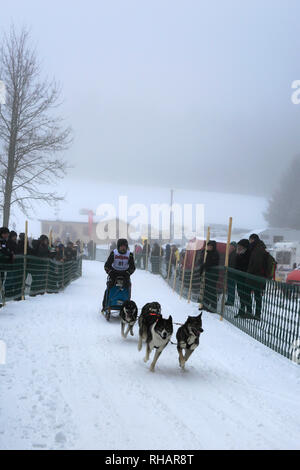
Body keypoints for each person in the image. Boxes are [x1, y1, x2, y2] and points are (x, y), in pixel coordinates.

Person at [102, 239, 135, 311]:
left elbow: (132, 267)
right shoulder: (114, 253)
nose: (123, 248)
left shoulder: (130, 255)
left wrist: (128, 273)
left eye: (124, 247)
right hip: (114, 273)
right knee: (109, 288)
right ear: (118, 247)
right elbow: (107, 265)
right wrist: (110, 272)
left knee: (127, 288)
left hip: (125, 274)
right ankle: (105, 305)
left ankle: (127, 305)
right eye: (121, 247)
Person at [247, 233, 267, 320]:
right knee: (257, 296)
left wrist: (250, 273)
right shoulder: (258, 248)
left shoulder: (257, 249)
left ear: (253, 240)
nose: (249, 242)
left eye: (250, 240)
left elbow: (256, 264)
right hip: (258, 276)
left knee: (257, 296)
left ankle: (257, 315)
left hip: (257, 276)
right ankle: (255, 314)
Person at [233, 239, 252, 318]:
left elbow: (246, 266)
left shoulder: (248, 255)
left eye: (240, 247)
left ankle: (248, 311)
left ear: (245, 247)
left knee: (246, 295)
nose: (239, 248)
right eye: (238, 246)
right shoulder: (239, 254)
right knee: (241, 295)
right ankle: (242, 311)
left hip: (245, 279)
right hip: (239, 278)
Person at [200, 240, 220, 312]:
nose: (208, 247)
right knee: (207, 290)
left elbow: (211, 263)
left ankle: (213, 307)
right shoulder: (209, 253)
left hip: (213, 275)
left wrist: (204, 266)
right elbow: (207, 263)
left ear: (213, 247)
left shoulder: (215, 253)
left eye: (210, 246)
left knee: (212, 291)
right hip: (209, 274)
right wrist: (203, 266)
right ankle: (205, 305)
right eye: (208, 246)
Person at [226, 241, 237, 306]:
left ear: (234, 247)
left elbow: (232, 264)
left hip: (232, 274)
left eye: (231, 246)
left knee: (231, 288)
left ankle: (230, 301)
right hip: (230, 273)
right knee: (230, 288)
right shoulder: (232, 253)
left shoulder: (234, 254)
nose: (230, 247)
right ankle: (229, 300)